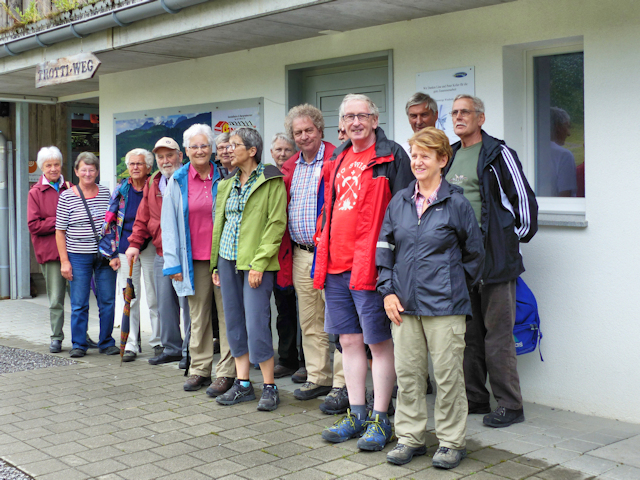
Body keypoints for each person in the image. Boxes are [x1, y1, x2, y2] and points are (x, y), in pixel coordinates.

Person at [378, 127, 484, 468]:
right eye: (414, 154)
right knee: (408, 375)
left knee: (447, 376)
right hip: (403, 306)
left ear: (442, 160)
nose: (417, 161)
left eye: (425, 155)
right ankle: (410, 438)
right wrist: (388, 292)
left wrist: (452, 287)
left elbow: (474, 255)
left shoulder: (456, 203)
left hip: (445, 307)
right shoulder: (400, 201)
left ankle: (452, 441)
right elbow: (384, 248)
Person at [316, 94, 413, 451]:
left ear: (374, 120)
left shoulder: (392, 156)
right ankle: (356, 413)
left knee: (378, 343)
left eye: (362, 115)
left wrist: (394, 268)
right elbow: (328, 208)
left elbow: (403, 214)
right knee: (349, 342)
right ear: (342, 123)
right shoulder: (337, 158)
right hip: (336, 266)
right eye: (349, 116)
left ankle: (381, 417)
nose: (356, 122)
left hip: (370, 266)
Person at [445, 94, 538, 428]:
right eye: (454, 112)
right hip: (462, 262)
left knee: (498, 335)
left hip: (496, 261)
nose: (458, 117)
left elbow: (524, 205)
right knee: (469, 335)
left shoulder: (498, 153)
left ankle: (511, 405)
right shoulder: (451, 156)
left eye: (465, 112)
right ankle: (476, 399)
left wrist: (508, 240)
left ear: (480, 118)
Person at [211, 127, 287, 411]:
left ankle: (269, 385)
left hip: (256, 263)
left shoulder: (271, 180)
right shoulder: (226, 183)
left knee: (257, 324)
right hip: (227, 261)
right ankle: (243, 384)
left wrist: (260, 263)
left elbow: (276, 224)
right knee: (233, 323)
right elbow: (220, 225)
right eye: (228, 145)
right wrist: (215, 263)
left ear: (252, 151)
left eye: (235, 145)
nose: (229, 149)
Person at [280, 105, 347, 414]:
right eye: (298, 132)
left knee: (342, 321)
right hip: (301, 253)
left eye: (308, 130)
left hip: (332, 254)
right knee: (310, 320)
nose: (303, 136)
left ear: (321, 130)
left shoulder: (337, 158)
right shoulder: (291, 165)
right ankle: (318, 376)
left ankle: (343, 383)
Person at [161, 125, 236, 395]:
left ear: (212, 148)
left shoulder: (225, 176)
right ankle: (200, 369)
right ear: (187, 151)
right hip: (192, 260)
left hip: (223, 257)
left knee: (228, 315)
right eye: (194, 147)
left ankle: (226, 372)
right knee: (198, 317)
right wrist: (173, 263)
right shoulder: (178, 180)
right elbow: (168, 224)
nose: (200, 150)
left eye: (204, 145)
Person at [125, 138, 192, 369]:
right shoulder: (153, 182)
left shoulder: (189, 178)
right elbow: (143, 217)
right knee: (165, 305)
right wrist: (134, 243)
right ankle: (172, 348)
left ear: (180, 156)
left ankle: (190, 350)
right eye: (161, 157)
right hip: (163, 252)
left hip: (187, 254)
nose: (166, 161)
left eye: (170, 155)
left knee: (189, 305)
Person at [55, 152, 119, 358]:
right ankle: (79, 343)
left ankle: (107, 342)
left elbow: (112, 225)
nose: (88, 173)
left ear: (97, 172)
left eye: (92, 169)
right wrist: (64, 261)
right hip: (78, 256)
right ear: (76, 172)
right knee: (79, 302)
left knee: (107, 300)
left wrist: (115, 253)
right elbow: (60, 231)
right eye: (84, 169)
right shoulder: (66, 196)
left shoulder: (105, 193)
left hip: (104, 255)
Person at [100, 148, 159, 362]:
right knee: (129, 298)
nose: (135, 167)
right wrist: (112, 253)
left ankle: (158, 341)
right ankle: (131, 343)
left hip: (151, 245)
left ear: (148, 168)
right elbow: (110, 220)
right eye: (132, 164)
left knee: (155, 296)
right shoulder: (121, 189)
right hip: (125, 248)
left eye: (140, 164)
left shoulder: (155, 187)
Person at [28, 146, 72, 353]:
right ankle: (56, 337)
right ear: (42, 168)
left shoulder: (71, 188)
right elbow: (34, 225)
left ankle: (84, 336)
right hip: (51, 253)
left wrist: (52, 221)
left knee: (80, 298)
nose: (53, 169)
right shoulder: (35, 193)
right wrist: (60, 222)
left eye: (56, 164)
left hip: (74, 250)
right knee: (56, 299)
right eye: (49, 165)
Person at [270, 133, 304, 380]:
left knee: (307, 311)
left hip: (300, 251)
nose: (282, 154)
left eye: (286, 149)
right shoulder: (268, 176)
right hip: (277, 255)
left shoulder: (298, 175)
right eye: (278, 149)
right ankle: (287, 358)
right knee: (284, 310)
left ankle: (306, 361)